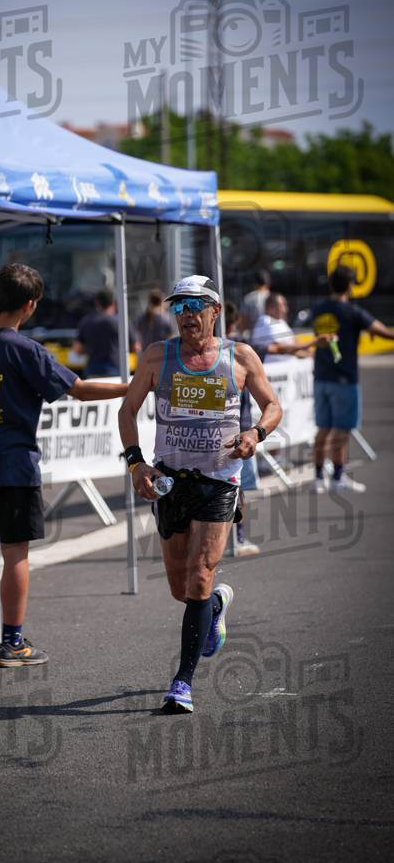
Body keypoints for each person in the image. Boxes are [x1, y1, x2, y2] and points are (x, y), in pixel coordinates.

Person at [0, 264, 129, 669]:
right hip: (15, 464)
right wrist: (136, 385)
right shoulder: (26, 349)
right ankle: (12, 645)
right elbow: (81, 391)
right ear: (30, 305)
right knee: (15, 554)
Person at [118, 275, 282, 714]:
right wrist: (136, 462)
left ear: (215, 311)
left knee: (199, 577)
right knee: (181, 589)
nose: (187, 314)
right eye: (179, 307)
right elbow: (127, 409)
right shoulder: (157, 356)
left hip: (219, 481)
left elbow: (273, 406)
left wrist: (255, 432)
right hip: (171, 482)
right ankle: (216, 607)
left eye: (195, 305)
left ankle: (181, 684)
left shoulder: (239, 356)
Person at [224, 300, 336, 554]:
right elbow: (279, 348)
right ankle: (237, 539)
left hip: (208, 434)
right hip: (240, 431)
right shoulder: (241, 347)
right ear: (233, 324)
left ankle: (224, 540)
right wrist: (312, 343)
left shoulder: (192, 350)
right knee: (238, 490)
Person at [311, 264, 394, 494]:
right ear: (350, 285)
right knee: (341, 430)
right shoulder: (353, 312)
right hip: (344, 379)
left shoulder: (318, 308)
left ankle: (318, 478)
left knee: (323, 428)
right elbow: (383, 332)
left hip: (320, 376)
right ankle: (338, 477)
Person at [72, 286, 140, 378]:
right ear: (114, 302)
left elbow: (77, 349)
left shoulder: (86, 321)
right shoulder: (122, 321)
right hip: (116, 371)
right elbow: (136, 348)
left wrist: (90, 349)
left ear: (96, 302)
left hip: (93, 371)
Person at [251, 292, 314, 362]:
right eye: (283, 306)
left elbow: (294, 340)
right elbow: (281, 349)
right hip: (274, 369)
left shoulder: (279, 320)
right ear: (273, 307)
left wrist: (310, 352)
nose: (286, 310)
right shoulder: (265, 322)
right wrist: (309, 353)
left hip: (288, 368)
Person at [239, 270, 271, 334]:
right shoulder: (275, 298)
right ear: (268, 283)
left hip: (254, 339)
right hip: (271, 337)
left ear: (254, 283)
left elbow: (243, 323)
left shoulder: (248, 298)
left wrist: (240, 335)